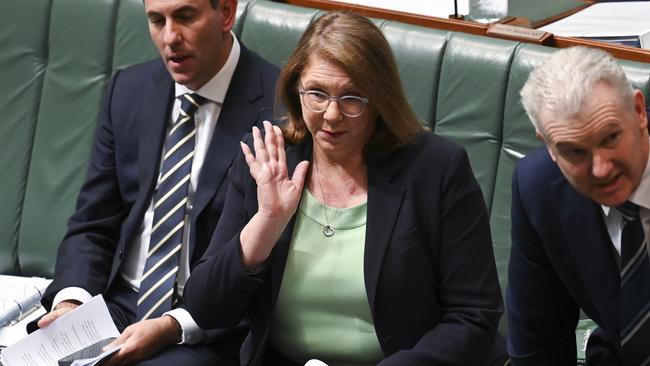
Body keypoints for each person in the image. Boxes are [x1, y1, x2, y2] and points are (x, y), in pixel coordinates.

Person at [184, 11, 507, 366]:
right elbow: (206, 309)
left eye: (352, 98)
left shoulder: (436, 170)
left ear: (380, 98)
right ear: (297, 89)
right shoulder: (269, 160)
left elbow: (473, 315)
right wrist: (268, 221)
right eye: (317, 94)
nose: (332, 114)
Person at [35, 0, 278, 365]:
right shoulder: (129, 90)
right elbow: (93, 221)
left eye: (185, 17)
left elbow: (259, 264)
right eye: (156, 20)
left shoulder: (278, 104)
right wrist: (73, 302)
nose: (170, 38)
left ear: (226, 13)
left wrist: (171, 325)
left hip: (206, 325)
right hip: (117, 306)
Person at [507, 46, 650, 365]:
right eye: (574, 152)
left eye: (610, 138)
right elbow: (537, 342)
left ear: (639, 111)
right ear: (547, 145)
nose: (601, 169)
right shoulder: (538, 188)